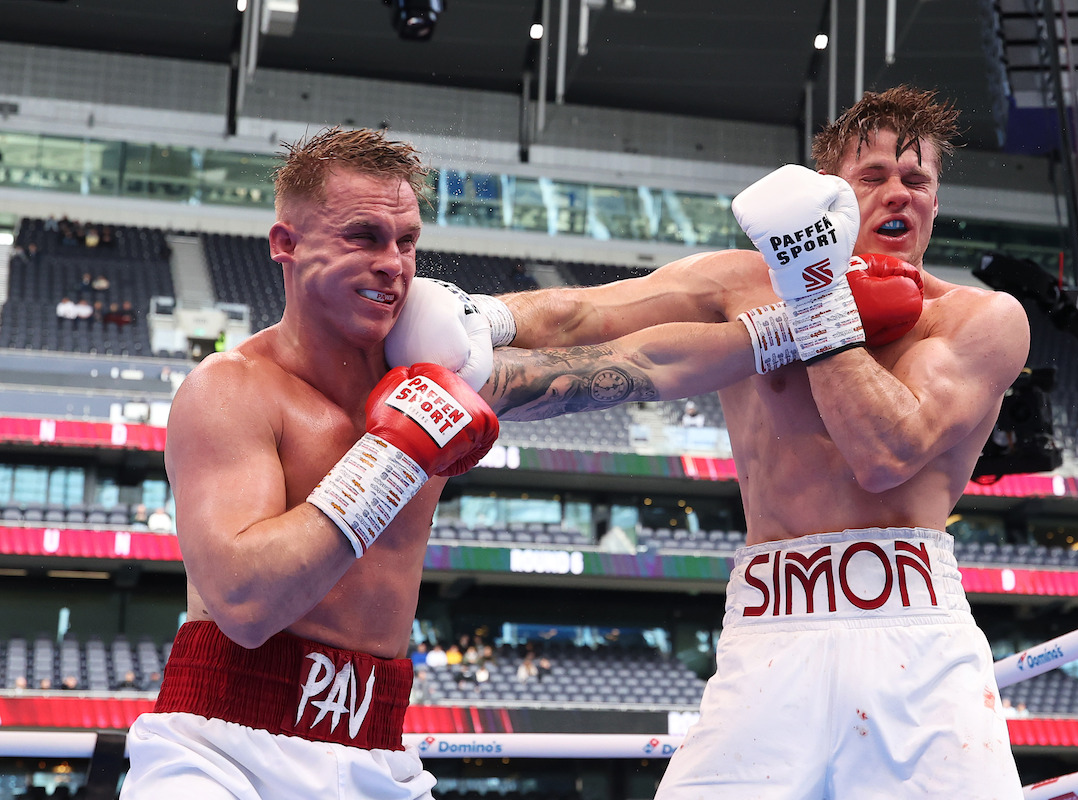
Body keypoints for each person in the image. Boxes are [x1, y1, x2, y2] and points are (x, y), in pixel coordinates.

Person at [121, 127, 761, 800]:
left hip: (376, 751)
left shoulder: (440, 376)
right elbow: (245, 604)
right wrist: (396, 452)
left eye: (406, 241)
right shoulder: (230, 390)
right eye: (364, 237)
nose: (392, 264)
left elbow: (633, 356)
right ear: (287, 244)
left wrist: (791, 328)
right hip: (220, 752)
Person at [495, 86, 1029, 797]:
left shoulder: (978, 320)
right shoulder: (741, 283)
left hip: (915, 639)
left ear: (935, 201)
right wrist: (473, 318)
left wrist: (816, 299)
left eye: (917, 180)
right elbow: (579, 314)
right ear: (827, 194)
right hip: (772, 629)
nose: (899, 193)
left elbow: (886, 454)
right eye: (873, 176)